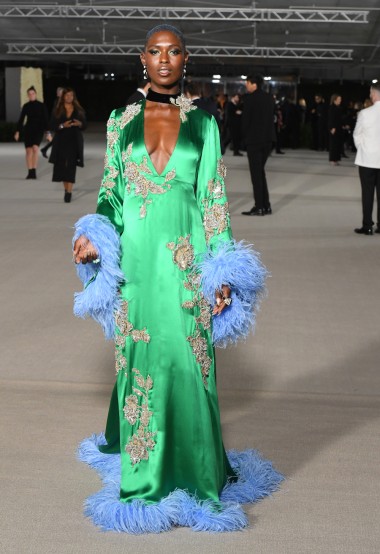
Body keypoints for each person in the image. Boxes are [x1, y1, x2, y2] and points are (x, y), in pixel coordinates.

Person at [72, 24, 283, 534]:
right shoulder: (121, 120)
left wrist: (224, 272)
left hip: (187, 262)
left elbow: (213, 202)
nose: (164, 59)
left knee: (192, 361)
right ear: (141, 59)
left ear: (186, 59)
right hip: (139, 267)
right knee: (142, 357)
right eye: (155, 51)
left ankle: (197, 473)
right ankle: (143, 481)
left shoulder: (204, 123)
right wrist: (95, 235)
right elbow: (111, 194)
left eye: (174, 51)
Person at [241, 74, 275, 216]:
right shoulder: (269, 98)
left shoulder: (249, 99)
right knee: (261, 173)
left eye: (247, 83)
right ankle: (266, 205)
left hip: (254, 141)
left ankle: (259, 206)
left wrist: (243, 138)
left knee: (256, 175)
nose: (246, 85)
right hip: (268, 140)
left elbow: (246, 121)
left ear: (253, 83)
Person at [48, 87, 86, 202]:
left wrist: (79, 124)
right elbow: (52, 126)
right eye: (67, 95)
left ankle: (69, 192)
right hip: (61, 142)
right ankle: (66, 189)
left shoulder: (78, 110)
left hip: (74, 142)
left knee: (71, 167)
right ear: (63, 96)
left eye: (71, 95)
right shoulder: (57, 110)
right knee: (62, 168)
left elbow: (85, 125)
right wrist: (62, 126)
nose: (69, 97)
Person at [353, 81, 380, 235]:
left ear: (375, 95)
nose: (370, 95)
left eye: (371, 92)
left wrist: (362, 148)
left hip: (367, 159)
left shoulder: (364, 113)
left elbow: (357, 134)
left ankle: (367, 225)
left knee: (367, 193)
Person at [14, 86, 49, 179]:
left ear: (36, 94)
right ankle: (30, 172)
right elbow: (21, 119)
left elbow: (46, 120)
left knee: (35, 148)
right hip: (28, 130)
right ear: (28, 96)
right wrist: (17, 131)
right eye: (29, 94)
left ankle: (34, 171)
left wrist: (48, 133)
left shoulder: (42, 105)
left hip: (38, 130)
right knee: (28, 151)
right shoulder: (26, 106)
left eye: (33, 93)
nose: (31, 95)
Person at [40, 87, 64, 158]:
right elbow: (54, 114)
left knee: (59, 139)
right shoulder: (57, 102)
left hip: (60, 123)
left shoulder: (60, 101)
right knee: (59, 138)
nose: (62, 94)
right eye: (60, 92)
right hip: (57, 123)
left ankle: (45, 149)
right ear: (58, 94)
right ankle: (47, 150)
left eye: (62, 92)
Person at [328, 94, 343, 166]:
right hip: (334, 129)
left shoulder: (338, 107)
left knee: (337, 145)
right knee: (333, 145)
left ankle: (336, 159)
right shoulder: (332, 108)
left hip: (338, 128)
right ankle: (332, 159)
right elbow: (330, 119)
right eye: (339, 99)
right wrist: (332, 127)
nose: (340, 100)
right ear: (335, 100)